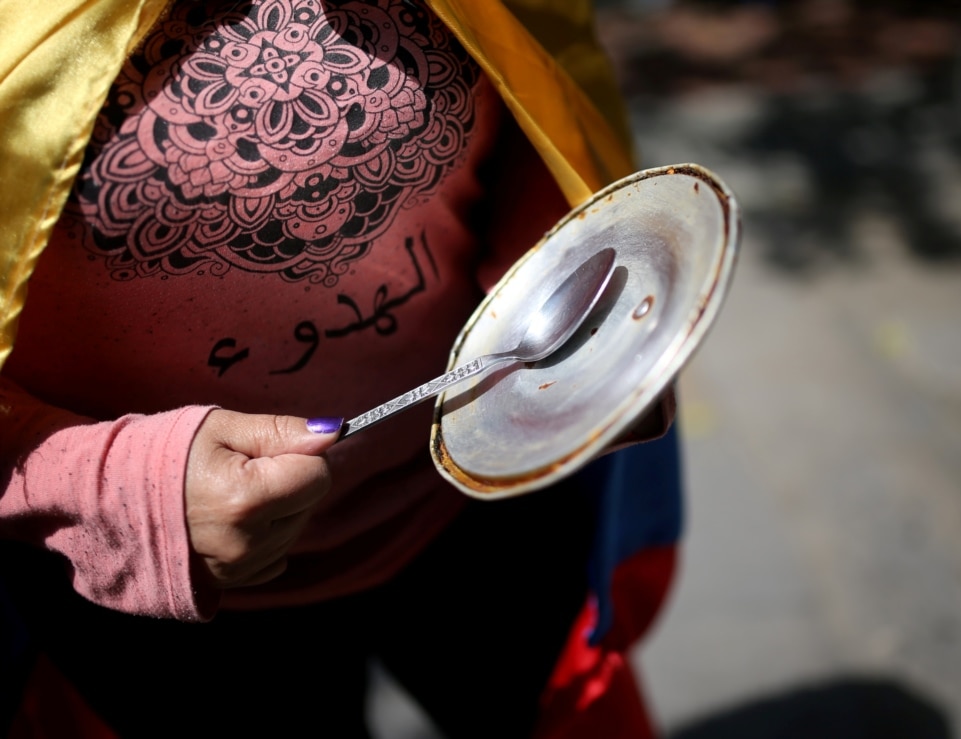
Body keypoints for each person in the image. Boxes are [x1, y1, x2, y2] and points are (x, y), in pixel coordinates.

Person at [0, 1, 683, 736]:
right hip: (167, 606)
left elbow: (534, 104)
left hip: (480, 510)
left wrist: (564, 302)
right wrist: (109, 483)